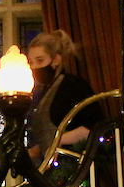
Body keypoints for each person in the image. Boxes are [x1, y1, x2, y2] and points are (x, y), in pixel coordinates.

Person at [25, 29, 104, 166]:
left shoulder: (73, 85)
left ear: (56, 60)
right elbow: (46, 140)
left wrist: (60, 140)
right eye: (31, 62)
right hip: (49, 170)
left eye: (40, 61)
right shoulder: (44, 92)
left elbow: (96, 125)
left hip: (72, 167)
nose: (34, 67)